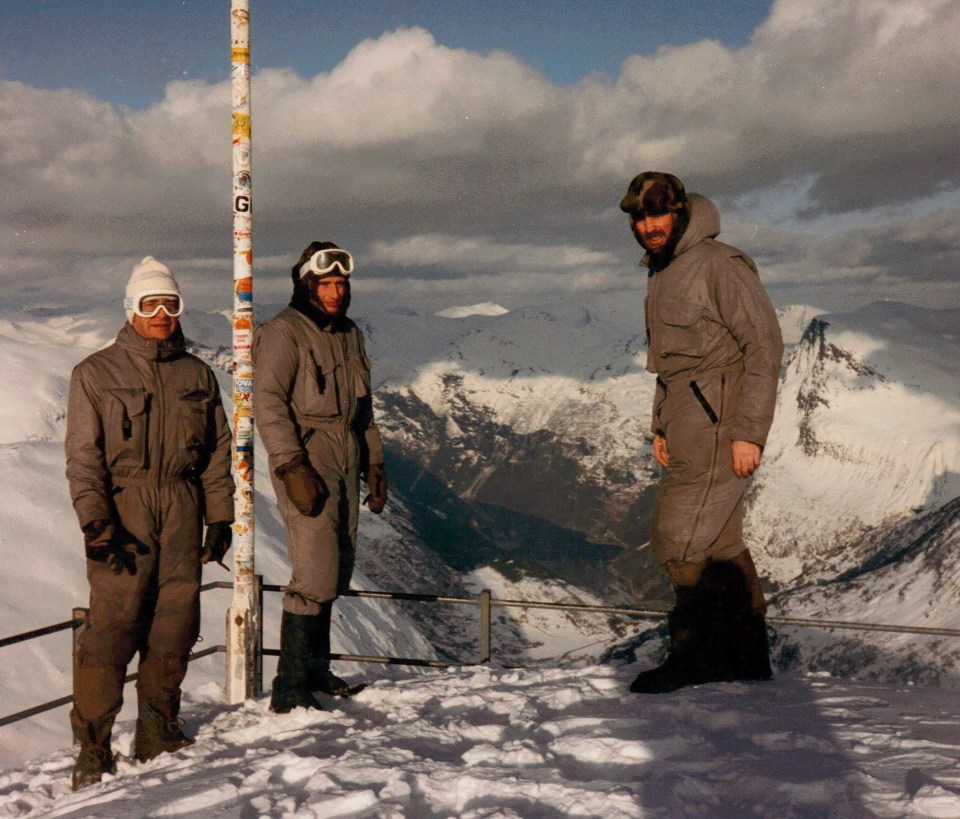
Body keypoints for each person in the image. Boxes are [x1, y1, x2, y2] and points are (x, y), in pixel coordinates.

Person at [65, 257, 235, 788]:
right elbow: (83, 458)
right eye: (150, 304)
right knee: (110, 633)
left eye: (171, 303)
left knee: (174, 624)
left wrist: (220, 517)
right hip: (124, 511)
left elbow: (217, 453)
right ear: (131, 310)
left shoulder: (197, 374)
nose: (162, 313)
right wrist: (97, 524)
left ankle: (158, 729)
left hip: (182, 508)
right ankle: (94, 748)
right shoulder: (95, 374)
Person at [620, 172, 784, 694]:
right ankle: (748, 658)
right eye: (639, 217)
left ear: (681, 212)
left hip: (721, 425)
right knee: (720, 538)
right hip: (690, 423)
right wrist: (661, 426)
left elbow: (763, 346)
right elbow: (670, 365)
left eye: (657, 213)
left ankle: (695, 657)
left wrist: (749, 433)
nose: (648, 225)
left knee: (679, 539)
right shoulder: (664, 270)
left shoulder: (719, 265)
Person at [253, 241, 387, 713]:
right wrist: (291, 465)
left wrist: (374, 461)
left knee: (335, 566)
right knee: (313, 571)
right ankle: (289, 686)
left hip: (346, 455)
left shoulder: (349, 334)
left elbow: (362, 408)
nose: (335, 291)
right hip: (308, 458)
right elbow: (267, 403)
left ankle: (315, 669)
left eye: (341, 283)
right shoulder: (283, 333)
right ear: (307, 285)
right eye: (327, 283)